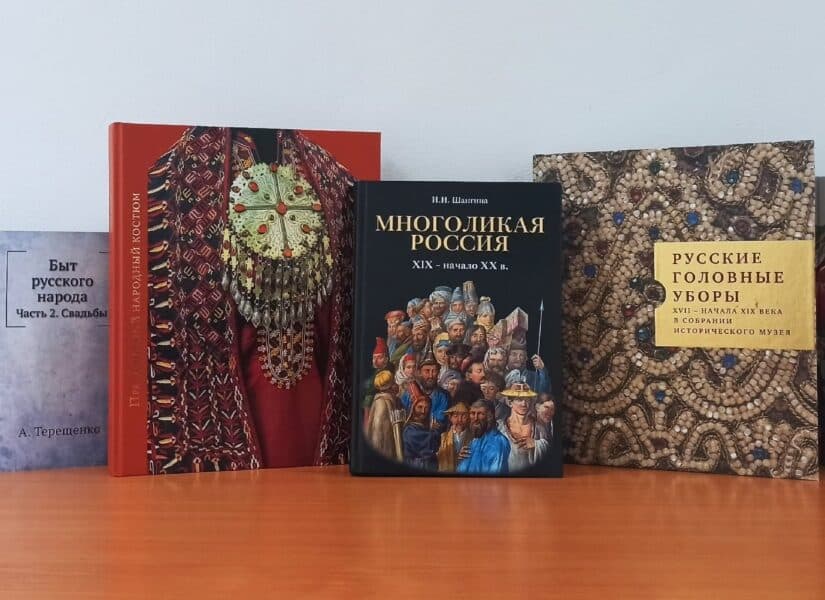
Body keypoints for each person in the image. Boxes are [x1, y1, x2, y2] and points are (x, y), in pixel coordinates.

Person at [498, 382, 550, 472]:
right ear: (510, 403)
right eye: (519, 399)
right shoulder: (499, 427)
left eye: (527, 400)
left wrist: (536, 444)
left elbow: (550, 453)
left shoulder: (539, 428)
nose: (524, 404)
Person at [400, 347, 448, 429]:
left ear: (438, 373)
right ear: (419, 372)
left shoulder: (443, 396)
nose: (431, 376)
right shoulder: (408, 393)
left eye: (434, 371)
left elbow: (439, 422)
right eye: (427, 371)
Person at [457, 400, 510, 474]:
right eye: (472, 413)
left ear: (490, 416)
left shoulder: (499, 442)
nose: (475, 418)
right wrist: (461, 460)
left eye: (480, 414)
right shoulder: (474, 441)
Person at [364, 370, 403, 461]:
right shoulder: (381, 403)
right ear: (389, 387)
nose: (397, 385)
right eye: (394, 382)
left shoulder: (394, 400)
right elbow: (379, 436)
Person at [402, 382, 441, 471]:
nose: (423, 411)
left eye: (426, 408)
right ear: (413, 408)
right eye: (420, 407)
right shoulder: (409, 430)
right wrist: (435, 432)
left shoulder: (424, 427)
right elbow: (427, 445)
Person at [437, 402, 472, 472]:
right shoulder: (443, 437)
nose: (459, 420)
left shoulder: (473, 437)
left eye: (464, 416)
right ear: (450, 418)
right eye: (456, 416)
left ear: (468, 418)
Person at [363, 337, 391, 413]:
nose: (375, 361)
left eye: (379, 357)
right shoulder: (376, 371)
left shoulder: (387, 373)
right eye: (374, 357)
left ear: (386, 359)